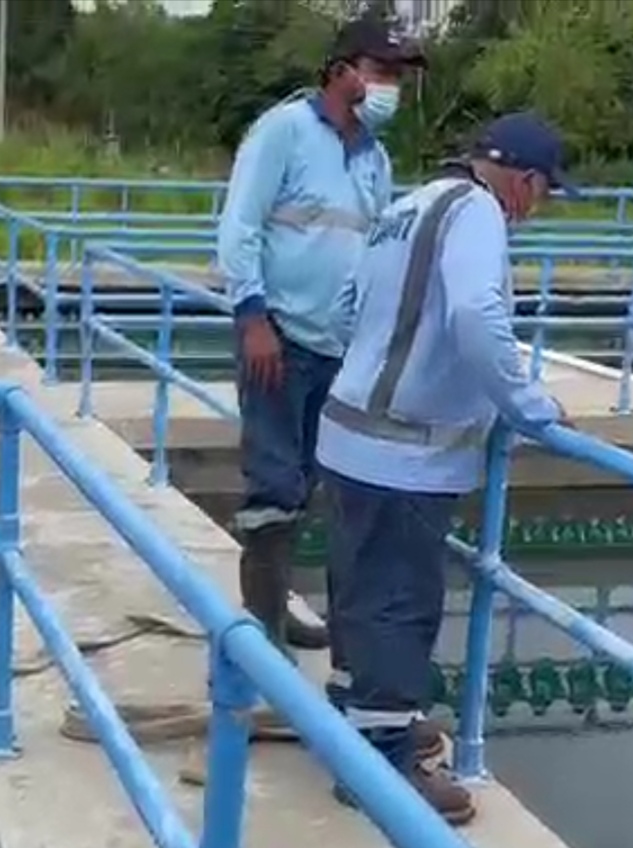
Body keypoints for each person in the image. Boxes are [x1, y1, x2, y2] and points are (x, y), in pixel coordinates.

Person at [315, 113, 571, 826]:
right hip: (405, 453)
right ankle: (383, 763)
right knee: (400, 603)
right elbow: (475, 317)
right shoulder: (477, 213)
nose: (536, 208)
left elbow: (342, 311)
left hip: (347, 433)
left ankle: (359, 714)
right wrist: (529, 408)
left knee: (358, 592)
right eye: (543, 192)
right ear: (523, 181)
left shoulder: (408, 204)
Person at [215, 14, 424, 658]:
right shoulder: (285, 131)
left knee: (308, 483)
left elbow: (374, 249)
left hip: (339, 347)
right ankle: (264, 640)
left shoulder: (375, 158)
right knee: (273, 484)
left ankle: (277, 615)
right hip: (276, 337)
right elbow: (239, 226)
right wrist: (252, 316)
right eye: (382, 72)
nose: (392, 87)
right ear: (341, 72)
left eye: (399, 76)